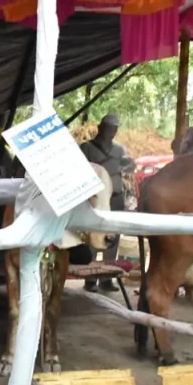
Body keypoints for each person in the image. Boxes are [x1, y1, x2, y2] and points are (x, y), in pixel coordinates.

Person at [78, 114, 134, 291]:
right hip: (96, 199)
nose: (112, 132)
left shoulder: (120, 149)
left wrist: (128, 165)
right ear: (101, 128)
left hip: (115, 197)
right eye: (109, 128)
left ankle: (107, 278)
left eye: (115, 129)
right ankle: (90, 278)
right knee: (93, 238)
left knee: (112, 239)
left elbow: (130, 168)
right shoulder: (86, 148)